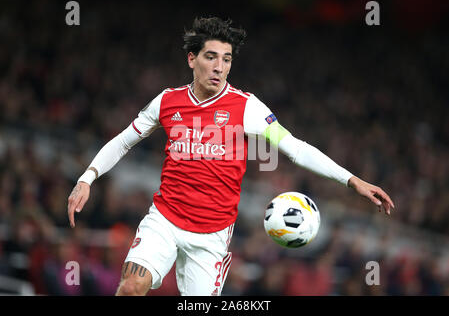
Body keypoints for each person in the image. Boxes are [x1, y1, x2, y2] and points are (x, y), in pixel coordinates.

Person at [67, 17, 395, 296]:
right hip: (165, 219)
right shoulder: (167, 102)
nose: (219, 67)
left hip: (211, 235)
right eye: (211, 57)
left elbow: (294, 148)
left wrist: (351, 180)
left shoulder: (247, 107)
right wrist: (87, 178)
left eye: (226, 59)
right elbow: (124, 141)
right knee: (131, 287)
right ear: (191, 59)